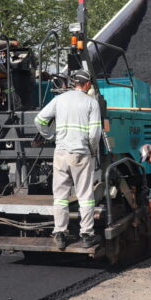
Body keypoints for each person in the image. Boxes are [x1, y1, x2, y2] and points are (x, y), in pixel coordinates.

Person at [34, 70, 102, 249]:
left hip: (61, 153)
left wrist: (49, 135)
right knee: (85, 195)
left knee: (61, 196)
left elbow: (39, 119)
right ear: (87, 84)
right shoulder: (91, 103)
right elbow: (95, 133)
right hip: (80, 153)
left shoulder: (59, 100)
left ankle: (60, 234)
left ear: (74, 83)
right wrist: (92, 150)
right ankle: (87, 235)